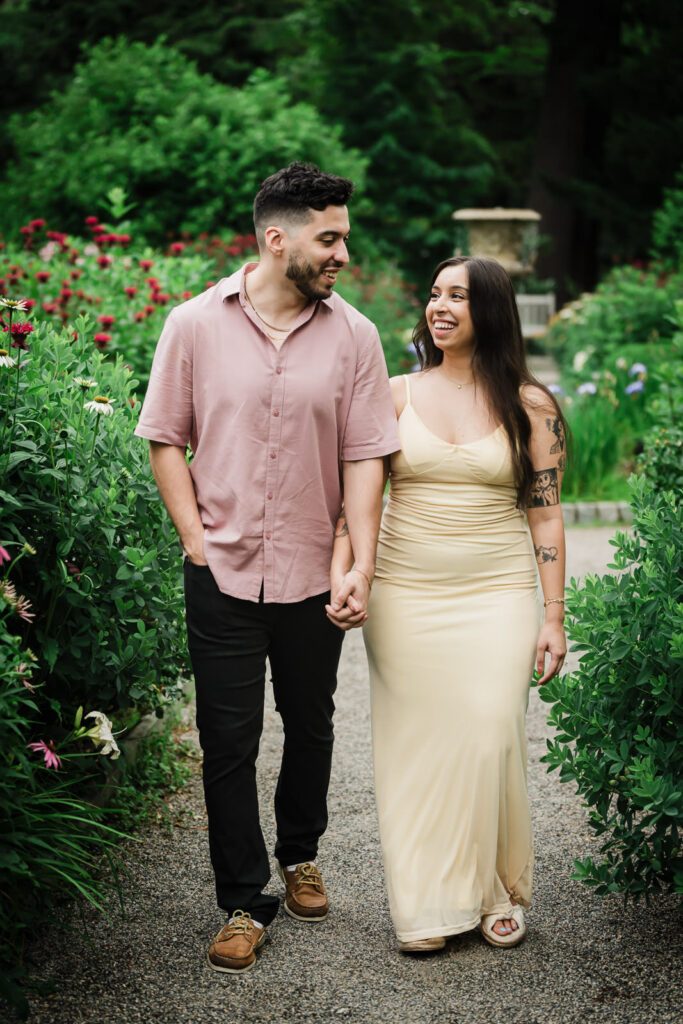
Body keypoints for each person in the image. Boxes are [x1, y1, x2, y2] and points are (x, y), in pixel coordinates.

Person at [134, 162, 399, 974]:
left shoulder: (355, 335)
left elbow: (364, 458)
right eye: (329, 238)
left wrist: (359, 562)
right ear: (275, 238)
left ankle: (301, 851)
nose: (342, 254)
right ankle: (244, 901)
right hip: (220, 569)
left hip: (315, 570)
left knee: (311, 722)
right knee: (227, 739)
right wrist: (193, 539)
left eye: (345, 237)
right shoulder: (192, 324)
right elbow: (163, 436)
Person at [330, 255, 567, 952]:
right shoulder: (394, 393)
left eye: (457, 296)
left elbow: (546, 516)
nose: (439, 306)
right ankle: (428, 907)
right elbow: (357, 502)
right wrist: (347, 572)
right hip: (405, 596)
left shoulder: (531, 406)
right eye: (433, 294)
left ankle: (496, 886)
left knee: (491, 732)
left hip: (496, 593)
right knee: (416, 748)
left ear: (488, 310)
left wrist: (552, 617)